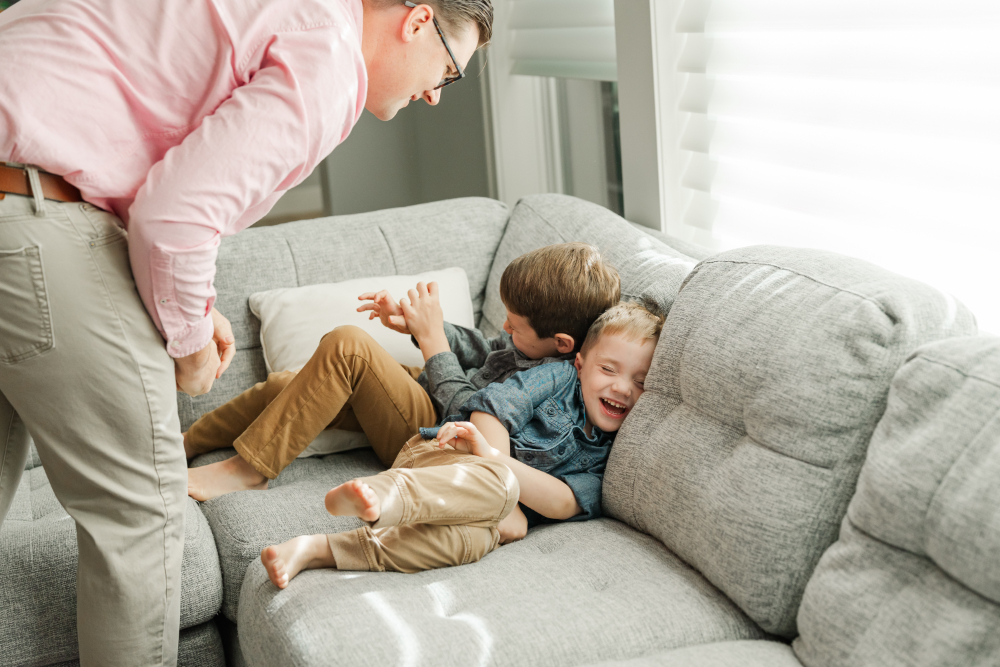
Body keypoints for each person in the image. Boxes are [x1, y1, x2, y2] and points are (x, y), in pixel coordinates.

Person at [0, 0, 491, 663]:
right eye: (451, 69)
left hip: (24, 192)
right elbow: (173, 219)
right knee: (143, 517)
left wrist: (193, 310)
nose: (435, 94)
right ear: (416, 19)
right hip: (30, 214)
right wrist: (191, 345)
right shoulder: (331, 58)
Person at [259, 301, 664, 585]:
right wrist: (492, 463)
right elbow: (490, 409)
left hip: (484, 518)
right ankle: (383, 495)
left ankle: (317, 550)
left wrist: (503, 494)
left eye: (640, 382)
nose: (622, 388)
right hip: (446, 452)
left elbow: (562, 502)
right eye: (609, 369)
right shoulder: (558, 378)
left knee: (467, 543)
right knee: (504, 501)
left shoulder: (608, 456)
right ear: (579, 363)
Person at [184, 242, 621, 500]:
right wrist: (421, 329)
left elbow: (466, 420)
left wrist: (432, 344)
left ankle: (250, 469)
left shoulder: (554, 380)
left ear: (563, 345)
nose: (504, 326)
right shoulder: (532, 345)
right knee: (290, 383)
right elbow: (487, 351)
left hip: (437, 435)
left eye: (515, 324)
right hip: (424, 398)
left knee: (348, 347)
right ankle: (182, 445)